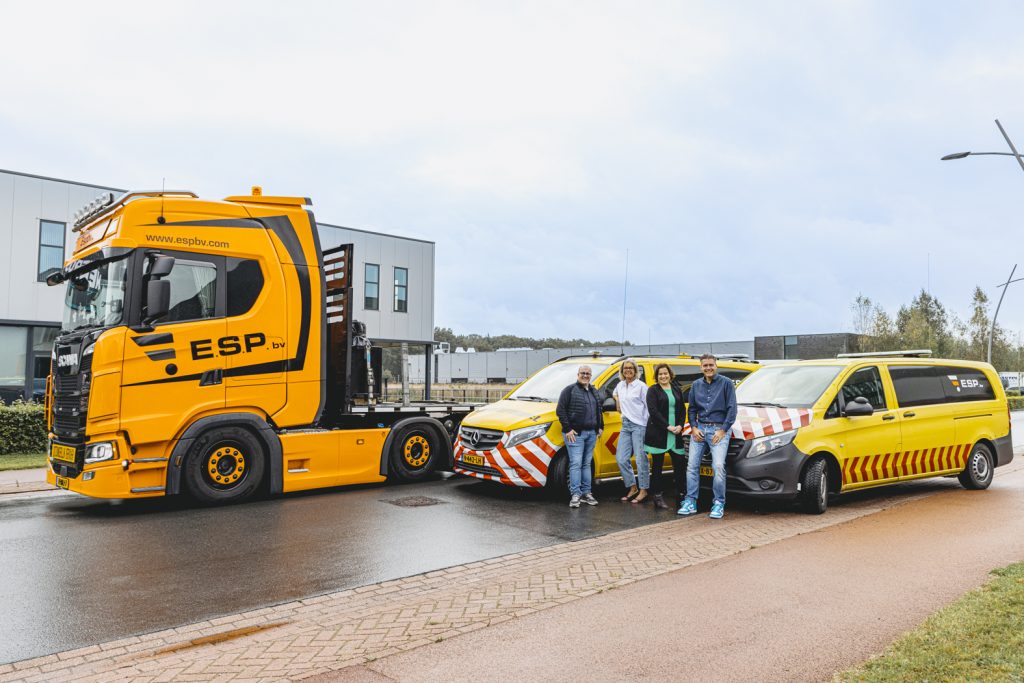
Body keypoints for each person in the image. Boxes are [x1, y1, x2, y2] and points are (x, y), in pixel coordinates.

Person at [678, 354, 737, 519]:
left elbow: (732, 409)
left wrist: (723, 430)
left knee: (718, 466)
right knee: (691, 466)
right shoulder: (696, 385)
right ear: (700, 367)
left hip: (719, 430)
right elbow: (692, 410)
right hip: (700, 430)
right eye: (705, 365)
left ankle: (718, 503)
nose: (708, 368)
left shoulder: (726, 384)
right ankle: (690, 501)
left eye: (711, 365)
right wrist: (694, 428)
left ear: (716, 366)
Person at [555, 364, 604, 508]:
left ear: (591, 375)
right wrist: (568, 429)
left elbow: (599, 410)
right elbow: (560, 410)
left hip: (591, 434)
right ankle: (576, 495)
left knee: (586, 464)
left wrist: (600, 426)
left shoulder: (594, 391)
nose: (585, 375)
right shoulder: (569, 390)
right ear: (578, 375)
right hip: (575, 434)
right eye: (582, 373)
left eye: (588, 373)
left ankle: (587, 493)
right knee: (576, 464)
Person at [643, 363, 686, 510]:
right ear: (657, 376)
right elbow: (653, 412)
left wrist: (680, 426)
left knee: (680, 467)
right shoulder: (652, 390)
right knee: (657, 468)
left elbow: (682, 410)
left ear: (670, 374)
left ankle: (681, 495)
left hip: (676, 435)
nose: (663, 376)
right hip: (659, 434)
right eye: (660, 374)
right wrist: (668, 426)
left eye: (665, 373)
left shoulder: (676, 389)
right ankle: (657, 497)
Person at [612, 359, 649, 503]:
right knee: (621, 458)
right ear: (622, 371)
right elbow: (615, 393)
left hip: (639, 425)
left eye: (631, 368)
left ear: (635, 370)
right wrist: (617, 400)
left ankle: (643, 490)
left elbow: (648, 406)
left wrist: (645, 424)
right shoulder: (620, 385)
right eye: (625, 368)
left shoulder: (641, 386)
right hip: (625, 425)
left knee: (641, 459)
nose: (628, 370)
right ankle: (632, 487)